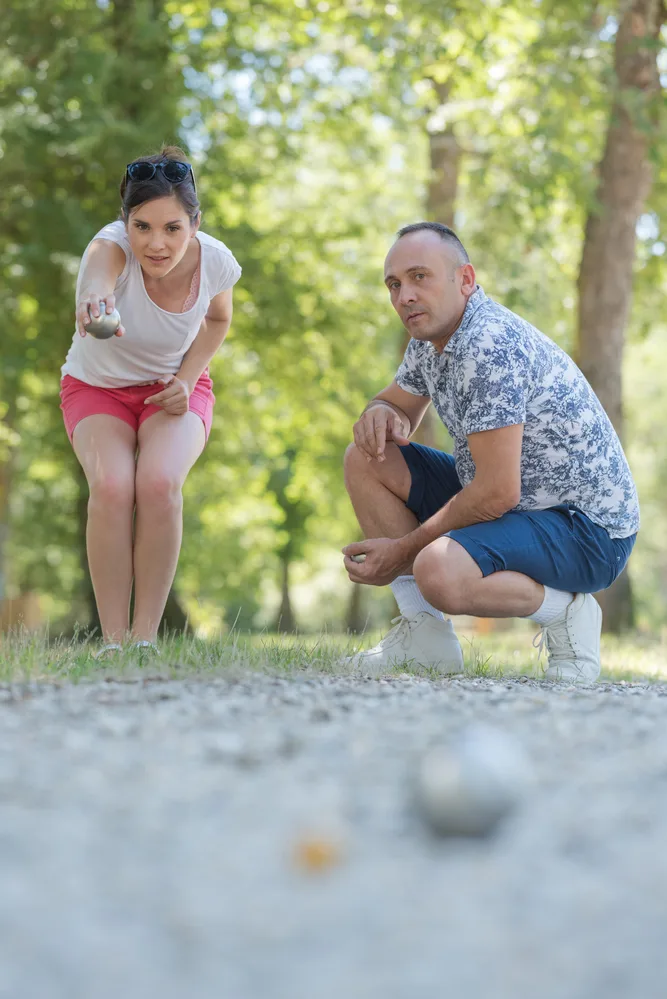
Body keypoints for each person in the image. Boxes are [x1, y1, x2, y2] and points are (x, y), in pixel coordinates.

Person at [342, 222, 639, 683]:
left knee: (436, 570)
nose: (405, 296)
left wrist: (400, 552)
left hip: (589, 531)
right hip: (520, 504)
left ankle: (567, 613)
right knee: (366, 457)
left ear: (465, 279)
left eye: (420, 277)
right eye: (395, 285)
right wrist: (380, 412)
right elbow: (394, 403)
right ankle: (426, 639)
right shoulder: (430, 340)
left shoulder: (487, 344)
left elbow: (496, 492)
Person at [60, 146, 241, 655]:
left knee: (159, 484)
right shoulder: (109, 248)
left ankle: (144, 640)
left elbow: (219, 320)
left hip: (175, 388)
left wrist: (187, 378)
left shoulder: (217, 262)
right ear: (125, 223)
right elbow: (98, 272)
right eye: (142, 227)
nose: (156, 244)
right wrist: (94, 296)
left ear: (195, 223)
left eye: (172, 228)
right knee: (114, 488)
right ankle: (113, 642)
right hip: (98, 389)